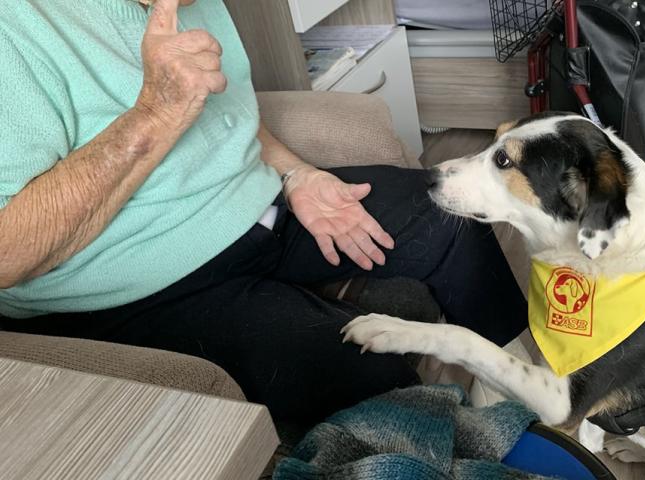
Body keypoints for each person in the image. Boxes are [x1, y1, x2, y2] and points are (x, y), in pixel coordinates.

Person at [0, 0, 526, 424]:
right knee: (373, 383)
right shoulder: (16, 27)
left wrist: (297, 175)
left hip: (260, 209)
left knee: (448, 218)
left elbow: (232, 110)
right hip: (138, 284)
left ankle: (529, 390)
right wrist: (156, 113)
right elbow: (8, 256)